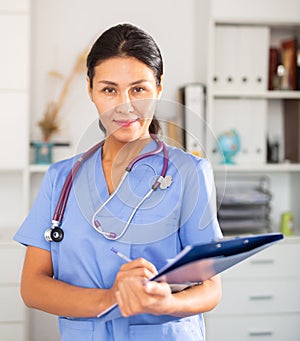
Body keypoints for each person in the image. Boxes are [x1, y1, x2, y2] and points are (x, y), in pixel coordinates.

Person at [14, 23, 223, 340]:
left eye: (138, 89)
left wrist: (168, 302)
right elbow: (32, 287)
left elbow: (210, 289)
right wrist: (111, 298)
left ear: (158, 88)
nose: (125, 106)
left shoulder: (190, 174)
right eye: (109, 89)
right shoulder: (61, 179)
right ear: (91, 90)